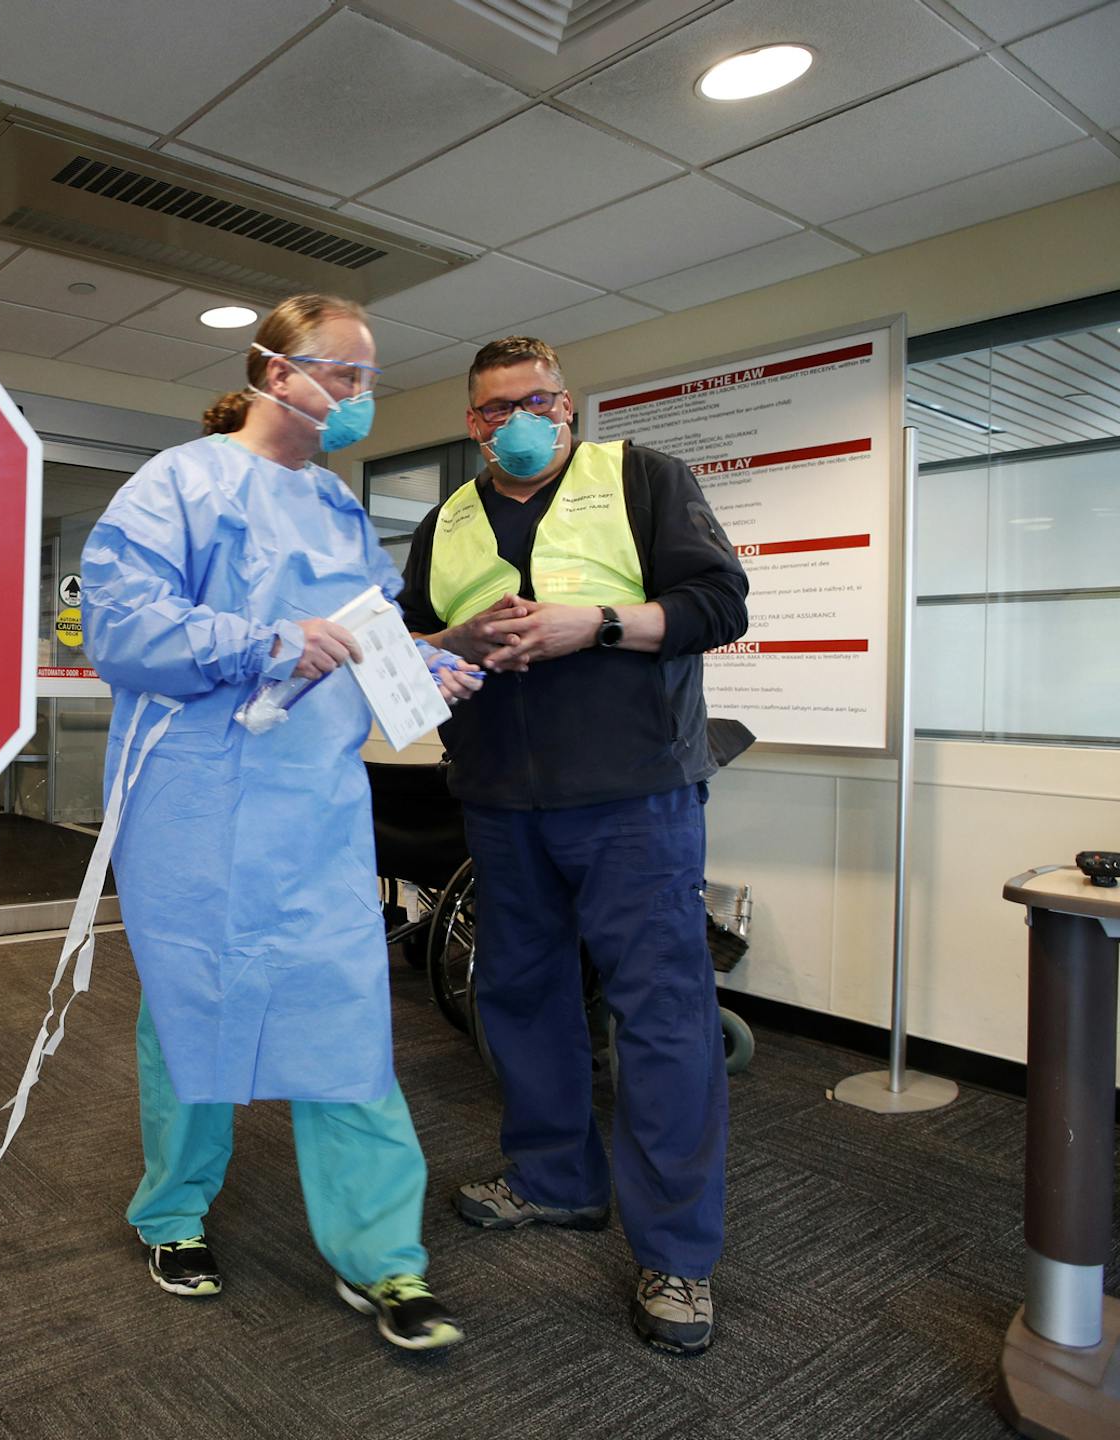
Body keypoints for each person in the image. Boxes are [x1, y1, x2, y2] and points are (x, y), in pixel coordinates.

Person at [77, 294, 482, 1351]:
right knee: (192, 1007)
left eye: (367, 377)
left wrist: (430, 664)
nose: (360, 396)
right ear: (275, 371)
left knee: (346, 1016)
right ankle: (172, 1217)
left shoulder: (342, 509)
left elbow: (367, 629)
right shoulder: (179, 483)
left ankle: (386, 1263)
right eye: (343, 374)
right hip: (199, 802)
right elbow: (119, 627)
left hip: (315, 805)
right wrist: (262, 642)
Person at [396, 336, 749, 1356]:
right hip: (501, 798)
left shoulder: (643, 479)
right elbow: (417, 646)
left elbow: (719, 604)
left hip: (632, 797)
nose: (519, 417)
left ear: (568, 406)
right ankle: (555, 1179)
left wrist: (586, 625)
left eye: (539, 400)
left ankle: (678, 1254)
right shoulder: (446, 523)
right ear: (472, 422)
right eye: (496, 406)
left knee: (663, 1015)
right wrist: (450, 649)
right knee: (521, 994)